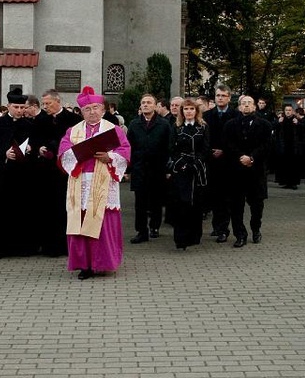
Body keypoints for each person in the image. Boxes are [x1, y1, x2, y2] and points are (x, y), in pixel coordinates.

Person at [58, 86, 131, 280]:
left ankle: (103, 263)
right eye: (87, 109)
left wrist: (110, 157)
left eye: (96, 108)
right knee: (81, 222)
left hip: (104, 180)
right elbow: (63, 153)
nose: (92, 112)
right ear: (81, 112)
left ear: (103, 109)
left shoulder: (113, 130)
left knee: (103, 221)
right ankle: (85, 265)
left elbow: (125, 150)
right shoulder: (72, 131)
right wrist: (77, 153)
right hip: (81, 180)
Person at [0, 88, 39, 258]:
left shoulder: (28, 125)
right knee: (2, 212)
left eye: (22, 107)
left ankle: (23, 246)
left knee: (22, 211)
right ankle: (2, 247)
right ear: (8, 106)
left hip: (22, 177)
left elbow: (35, 147)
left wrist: (30, 149)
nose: (19, 110)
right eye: (16, 107)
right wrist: (3, 154)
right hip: (2, 177)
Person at [31, 89, 83, 257]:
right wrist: (39, 148)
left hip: (65, 171)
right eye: (44, 104)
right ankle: (47, 245)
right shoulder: (40, 120)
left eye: (48, 103)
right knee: (46, 207)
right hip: (45, 171)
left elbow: (76, 141)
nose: (45, 107)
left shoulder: (73, 119)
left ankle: (66, 245)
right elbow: (34, 139)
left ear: (57, 101)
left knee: (65, 207)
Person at [224, 95, 272, 247]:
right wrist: (240, 157)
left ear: (255, 106)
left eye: (249, 103)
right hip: (236, 171)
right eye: (243, 103)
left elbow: (268, 145)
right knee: (236, 205)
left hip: (256, 170)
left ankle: (255, 228)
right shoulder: (230, 125)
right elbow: (228, 144)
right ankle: (240, 234)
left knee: (257, 204)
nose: (246, 106)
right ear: (238, 107)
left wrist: (252, 158)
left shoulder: (264, 125)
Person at [126, 93, 171, 243]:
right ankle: (141, 231)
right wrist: (128, 169)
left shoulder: (164, 124)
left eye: (149, 102)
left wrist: (168, 169)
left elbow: (168, 147)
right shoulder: (134, 124)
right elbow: (128, 147)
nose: (146, 105)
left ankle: (154, 227)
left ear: (155, 105)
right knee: (140, 202)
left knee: (156, 200)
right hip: (139, 168)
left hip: (157, 168)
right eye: (143, 102)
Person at [167, 98, 209, 250]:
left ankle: (194, 236)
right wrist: (182, 164)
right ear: (182, 112)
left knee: (196, 202)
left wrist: (196, 163)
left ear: (196, 111)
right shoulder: (176, 127)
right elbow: (172, 149)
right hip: (181, 169)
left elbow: (205, 148)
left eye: (192, 109)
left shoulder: (203, 127)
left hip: (197, 169)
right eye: (186, 109)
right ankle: (181, 238)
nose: (189, 112)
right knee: (181, 202)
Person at [204, 84, 241, 243]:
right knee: (213, 195)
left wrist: (224, 150)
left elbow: (238, 138)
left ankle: (223, 229)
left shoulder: (235, 115)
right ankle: (216, 226)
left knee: (225, 197)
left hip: (228, 161)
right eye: (218, 95)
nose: (220, 98)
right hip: (211, 160)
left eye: (223, 96)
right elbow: (203, 136)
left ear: (229, 98)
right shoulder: (206, 115)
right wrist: (209, 150)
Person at [275, 103, 303, 189]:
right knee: (284, 164)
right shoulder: (281, 120)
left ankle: (293, 183)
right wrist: (278, 122)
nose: (288, 112)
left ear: (293, 111)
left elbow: (304, 130)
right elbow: (274, 130)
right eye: (286, 110)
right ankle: (286, 182)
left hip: (294, 146)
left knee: (293, 165)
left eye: (289, 110)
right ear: (284, 111)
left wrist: (298, 123)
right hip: (284, 146)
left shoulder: (296, 120)